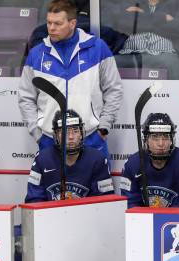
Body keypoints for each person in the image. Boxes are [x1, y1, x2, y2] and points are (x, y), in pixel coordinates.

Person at [18, 0, 123, 160]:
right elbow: (26, 97)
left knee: (96, 186)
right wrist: (38, 134)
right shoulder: (36, 54)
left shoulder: (98, 48)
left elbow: (114, 90)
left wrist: (103, 128)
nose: (51, 28)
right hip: (50, 141)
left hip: (91, 140)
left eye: (58, 23)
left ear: (72, 23)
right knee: (52, 186)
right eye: (49, 22)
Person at [25, 109, 114, 202]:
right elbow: (34, 200)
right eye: (65, 131)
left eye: (75, 131)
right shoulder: (42, 159)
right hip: (51, 215)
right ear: (56, 136)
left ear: (81, 134)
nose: (71, 137)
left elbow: (104, 201)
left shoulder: (97, 159)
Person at [120, 113, 179, 208]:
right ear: (146, 140)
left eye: (165, 137)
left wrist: (163, 219)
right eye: (155, 137)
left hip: (174, 221)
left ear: (171, 140)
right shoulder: (132, 164)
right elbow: (130, 204)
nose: (161, 143)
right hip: (143, 221)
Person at [106, 0, 179, 80]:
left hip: (165, 53)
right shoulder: (131, 1)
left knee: (171, 64)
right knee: (110, 64)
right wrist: (163, 18)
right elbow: (123, 21)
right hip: (129, 53)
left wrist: (142, 18)